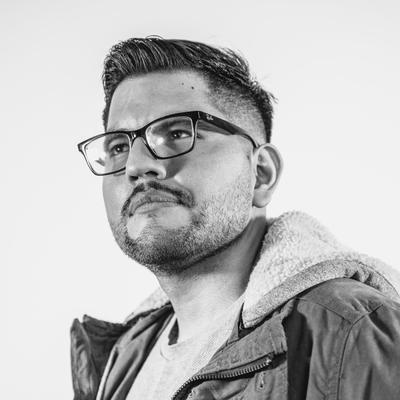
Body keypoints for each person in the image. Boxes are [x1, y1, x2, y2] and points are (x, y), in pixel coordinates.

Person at [71, 37, 400, 400]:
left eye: (177, 133)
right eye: (119, 147)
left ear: (261, 173)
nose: (136, 165)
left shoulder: (351, 333)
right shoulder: (123, 356)